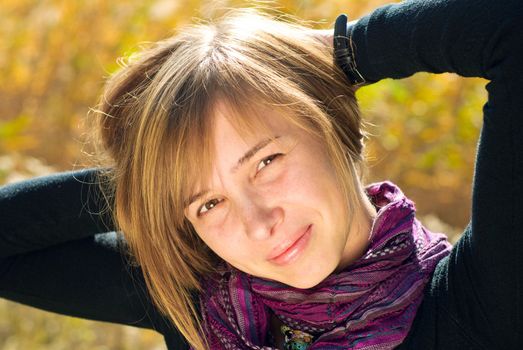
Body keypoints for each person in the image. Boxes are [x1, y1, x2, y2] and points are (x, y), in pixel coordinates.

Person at [1, 0, 521, 349]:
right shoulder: (198, 305)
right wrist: (155, 179)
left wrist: (348, 52)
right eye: (208, 203)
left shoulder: (478, 303)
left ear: (339, 129)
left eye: (265, 163)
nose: (257, 224)